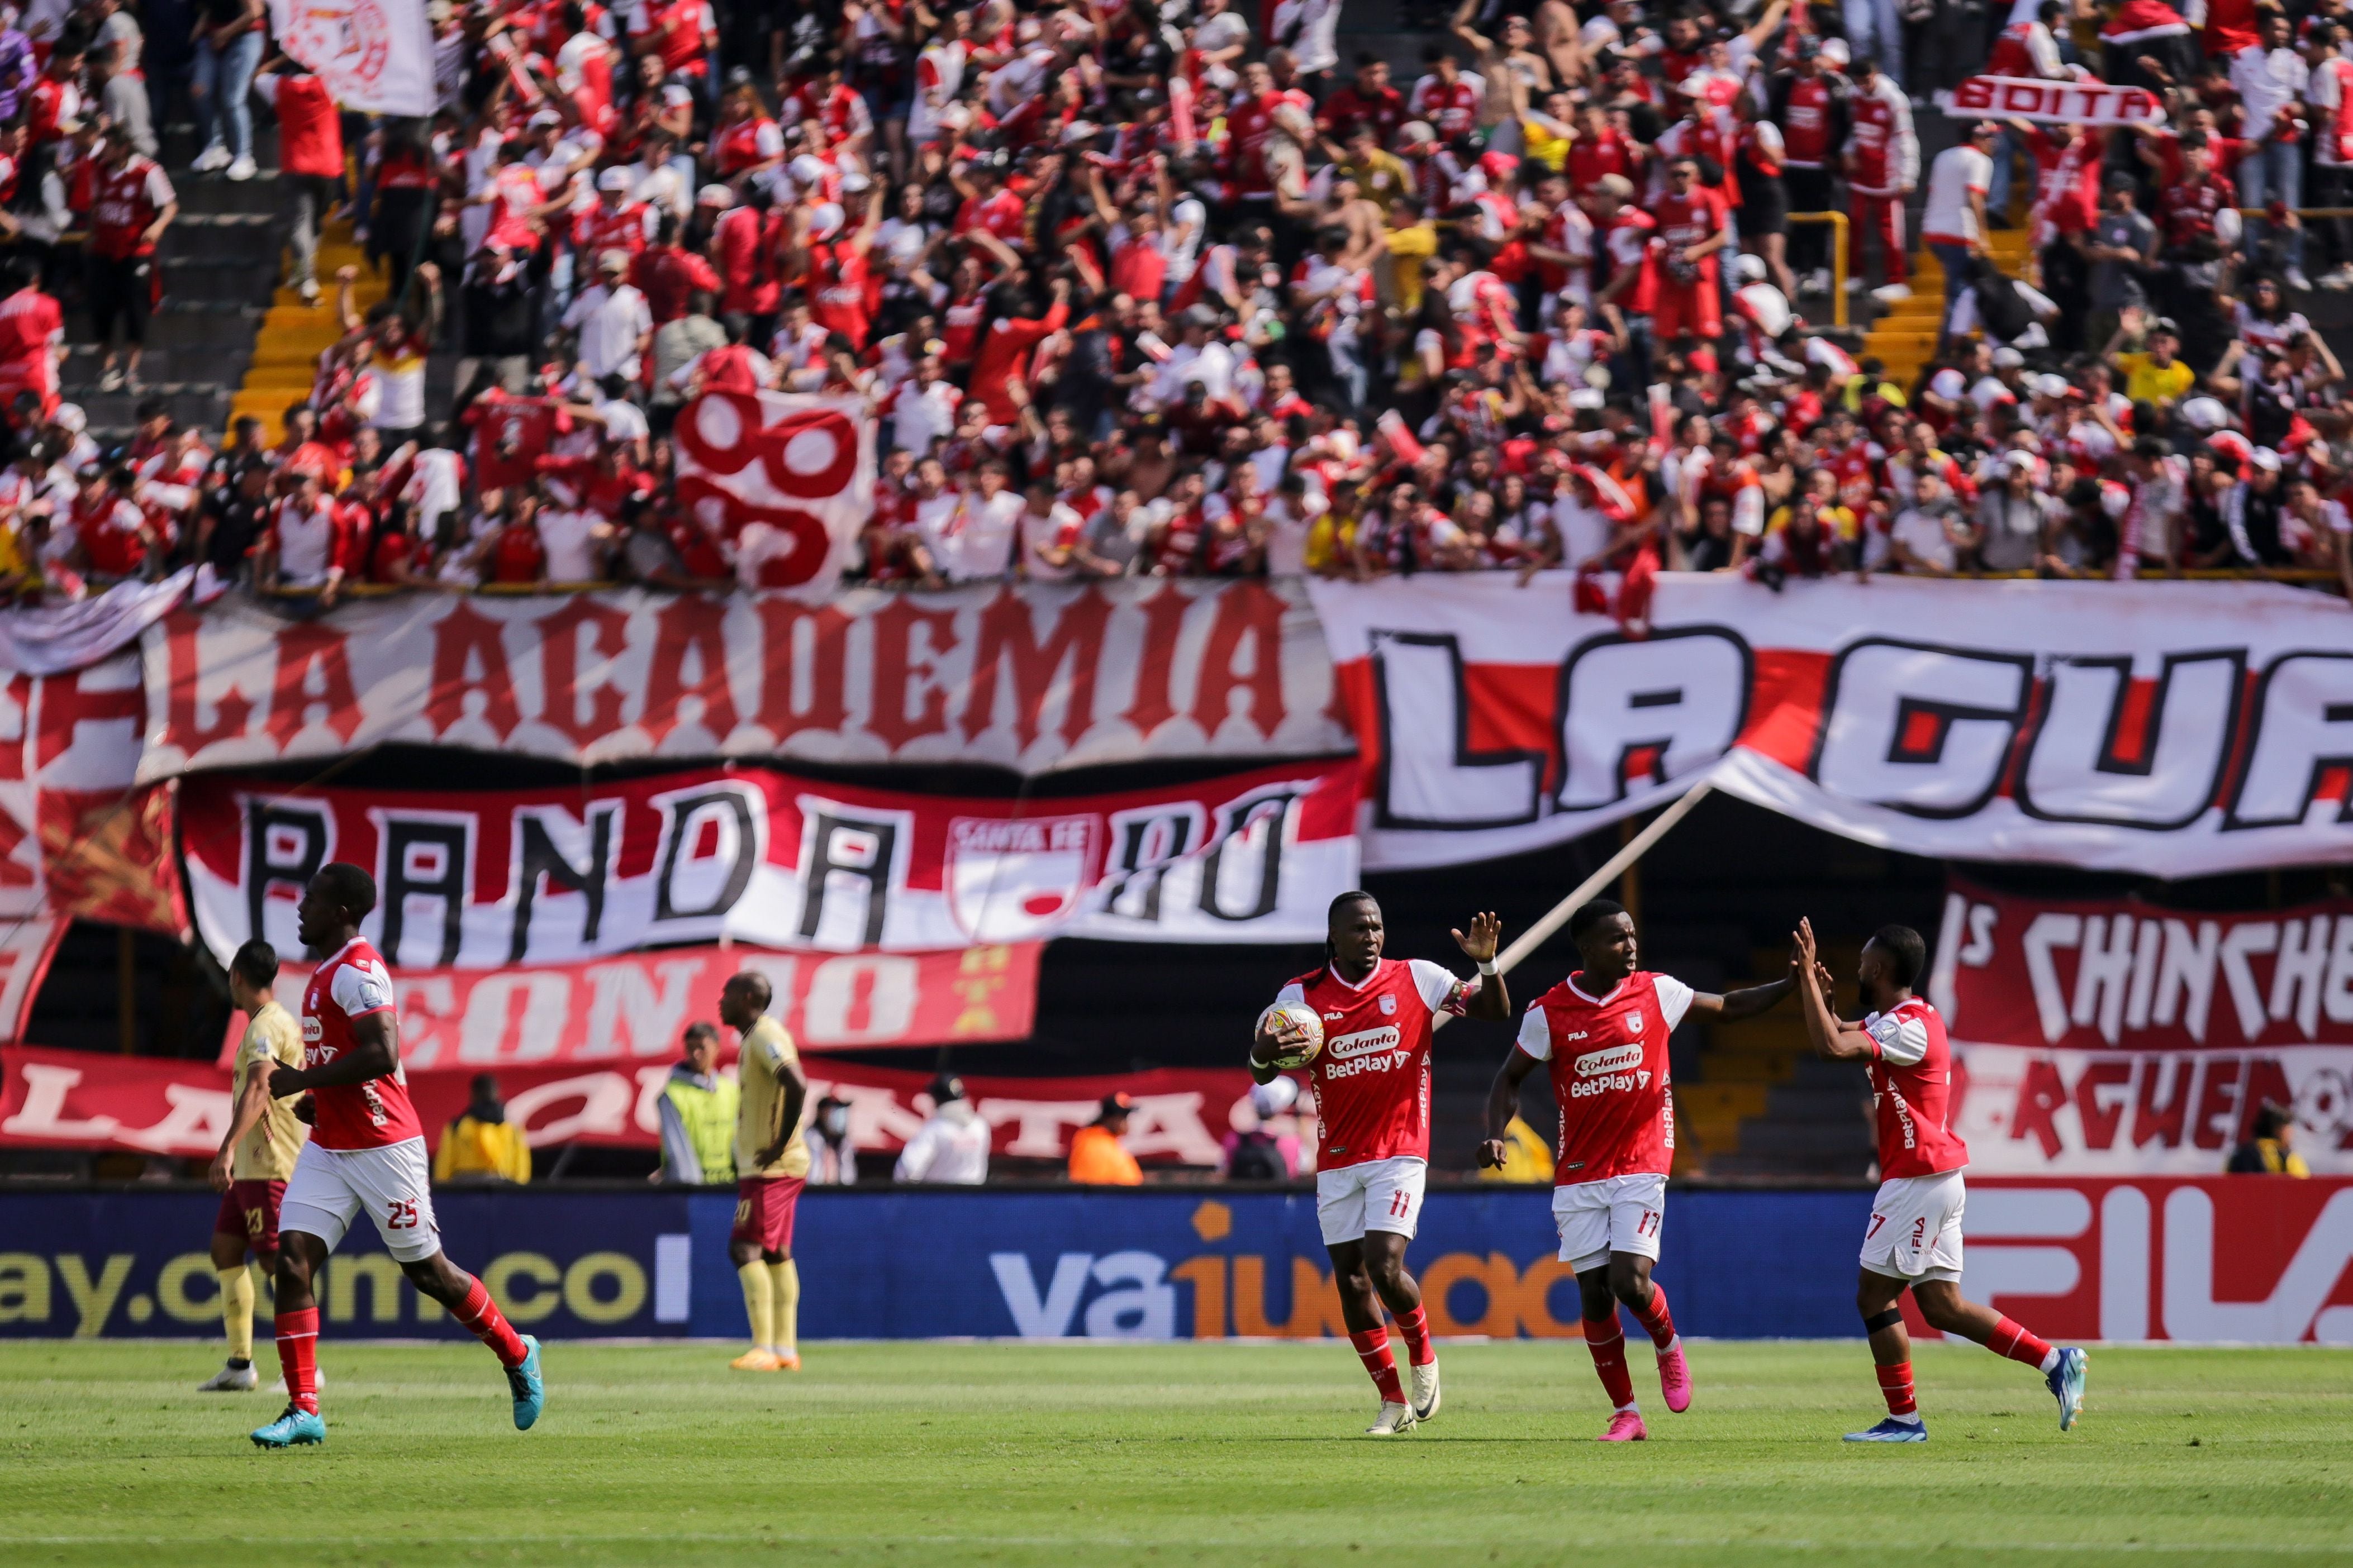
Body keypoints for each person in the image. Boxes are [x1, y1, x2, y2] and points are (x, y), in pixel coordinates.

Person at [1479, 898, 1798, 1441]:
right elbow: (1508, 1078)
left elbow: (1728, 1007)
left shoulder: (1656, 992)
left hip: (1641, 1159)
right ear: (1585, 948)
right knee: (1593, 1294)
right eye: (1615, 938)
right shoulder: (1549, 1012)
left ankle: (1667, 1345)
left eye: (1630, 935)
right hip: (1579, 1168)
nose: (1628, 945)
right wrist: (1493, 1130)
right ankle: (1626, 1411)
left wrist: (1789, 984)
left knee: (1628, 1280)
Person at [249, 864, 544, 1448]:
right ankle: (303, 1407)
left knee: (428, 1271)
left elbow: (383, 1053)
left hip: (385, 1146)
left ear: (341, 911)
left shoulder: (359, 970)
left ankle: (517, 1351)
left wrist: (305, 1077)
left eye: (312, 899)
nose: (301, 907)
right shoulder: (324, 972)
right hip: (332, 1144)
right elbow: (350, 1058)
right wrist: (319, 1100)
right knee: (292, 1259)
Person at [1790, 917, 2088, 1442]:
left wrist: (1809, 985)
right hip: (1935, 1176)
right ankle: (2055, 1361)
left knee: (1873, 1297)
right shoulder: (1907, 1018)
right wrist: (1825, 1002)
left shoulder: (1906, 1027)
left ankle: (1904, 1421)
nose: (1858, 968)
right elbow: (1838, 1034)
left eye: (1862, 962)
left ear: (1879, 968)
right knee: (1941, 1304)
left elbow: (1830, 1050)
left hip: (1918, 1178)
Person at [1251, 893, 1509, 1437]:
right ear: (1334, 935)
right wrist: (1261, 1050)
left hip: (1399, 1148)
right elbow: (1261, 1069)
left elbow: (1494, 1010)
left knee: (1383, 1262)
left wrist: (1485, 963)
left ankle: (1423, 1359)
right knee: (1349, 1281)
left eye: (1376, 927)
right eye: (1358, 928)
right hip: (1338, 1157)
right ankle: (1391, 1401)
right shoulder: (1299, 997)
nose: (1370, 936)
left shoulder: (1417, 976)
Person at [199, 938, 305, 1393]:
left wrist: (225, 1149)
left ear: (236, 976)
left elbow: (260, 1088)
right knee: (225, 1248)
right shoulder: (269, 1023)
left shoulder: (265, 1027)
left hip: (269, 1160)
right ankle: (240, 1365)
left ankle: (304, 1368)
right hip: (250, 1167)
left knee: (277, 1262)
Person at [722, 970, 809, 1373]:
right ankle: (786, 1350)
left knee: (744, 1248)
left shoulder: (764, 1034)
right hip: (774, 1165)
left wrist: (778, 1143)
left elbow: (796, 1082)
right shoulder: (755, 1036)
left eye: (727, 994)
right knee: (776, 1252)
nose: (720, 1001)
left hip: (772, 1168)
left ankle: (765, 1347)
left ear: (747, 997)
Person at [655, 1021, 738, 1185]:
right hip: (693, 1191)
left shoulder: (730, 1090)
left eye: (702, 1047)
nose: (695, 1054)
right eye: (690, 1048)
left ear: (717, 1048)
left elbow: (740, 1140)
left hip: (728, 1187)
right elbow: (678, 1152)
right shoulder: (672, 1094)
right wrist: (694, 1194)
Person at [432, 1074, 532, 1184]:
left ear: (472, 1095)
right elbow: (521, 1170)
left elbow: (444, 1169)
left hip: (469, 1190)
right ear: (497, 1094)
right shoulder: (512, 1128)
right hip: (491, 1189)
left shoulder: (457, 1127)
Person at [894, 1073, 990, 1184]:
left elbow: (908, 1169)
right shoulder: (981, 1125)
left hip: (938, 1198)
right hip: (975, 1198)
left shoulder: (935, 1129)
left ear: (936, 1098)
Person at [1067, 1093, 1144, 1186]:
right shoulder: (1095, 1146)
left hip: (1126, 1198)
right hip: (1115, 1199)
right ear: (1109, 1118)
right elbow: (1094, 1193)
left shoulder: (1106, 1143)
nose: (1127, 1122)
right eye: (1123, 1117)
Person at [2228, 1101, 2311, 1175]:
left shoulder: (2238, 1155)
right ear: (2279, 1130)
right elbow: (2304, 1188)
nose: (2292, 1132)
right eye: (2289, 1127)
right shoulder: (2290, 1159)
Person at [806, 1094, 858, 1185]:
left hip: (835, 1196)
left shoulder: (843, 1144)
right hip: (810, 1195)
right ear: (821, 1112)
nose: (840, 1115)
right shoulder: (807, 1139)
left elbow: (848, 1178)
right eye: (834, 1110)